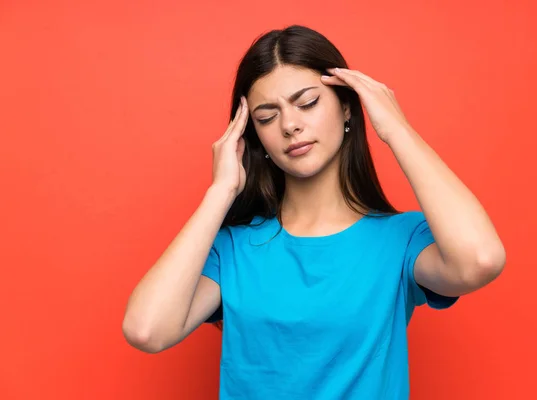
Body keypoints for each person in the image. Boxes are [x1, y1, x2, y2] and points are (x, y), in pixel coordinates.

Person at [122, 25, 506, 399]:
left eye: (307, 103)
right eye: (267, 117)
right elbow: (146, 330)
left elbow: (480, 260)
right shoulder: (233, 250)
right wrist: (220, 191)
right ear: (253, 138)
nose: (290, 125)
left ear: (346, 109)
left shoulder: (401, 240)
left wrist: (396, 129)